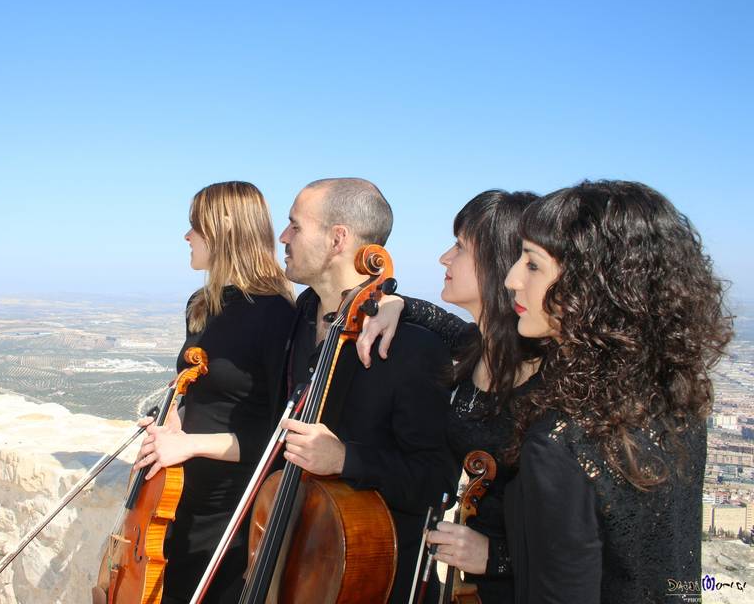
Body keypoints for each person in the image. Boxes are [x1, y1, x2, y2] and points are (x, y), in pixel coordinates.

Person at [502, 180, 733, 603]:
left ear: (591, 284)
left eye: (532, 264)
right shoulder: (673, 398)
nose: (512, 278)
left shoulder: (560, 442)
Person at [274, 178, 459, 603]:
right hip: (296, 564)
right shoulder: (298, 322)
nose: (283, 237)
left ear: (338, 238)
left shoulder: (411, 347)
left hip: (370, 581)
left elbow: (437, 483)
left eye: (295, 226)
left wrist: (345, 459)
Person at [356, 189, 542, 604]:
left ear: (500, 263)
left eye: (460, 247)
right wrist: (397, 302)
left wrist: (497, 557)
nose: (444, 257)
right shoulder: (473, 345)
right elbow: (438, 319)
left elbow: (576, 535)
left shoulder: (544, 378)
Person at [131, 181, 295, 603]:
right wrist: (170, 423)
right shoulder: (201, 304)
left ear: (224, 230)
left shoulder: (276, 314)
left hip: (227, 511)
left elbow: (277, 438)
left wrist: (187, 445)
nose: (187, 237)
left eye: (195, 226)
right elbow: (198, 397)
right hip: (179, 495)